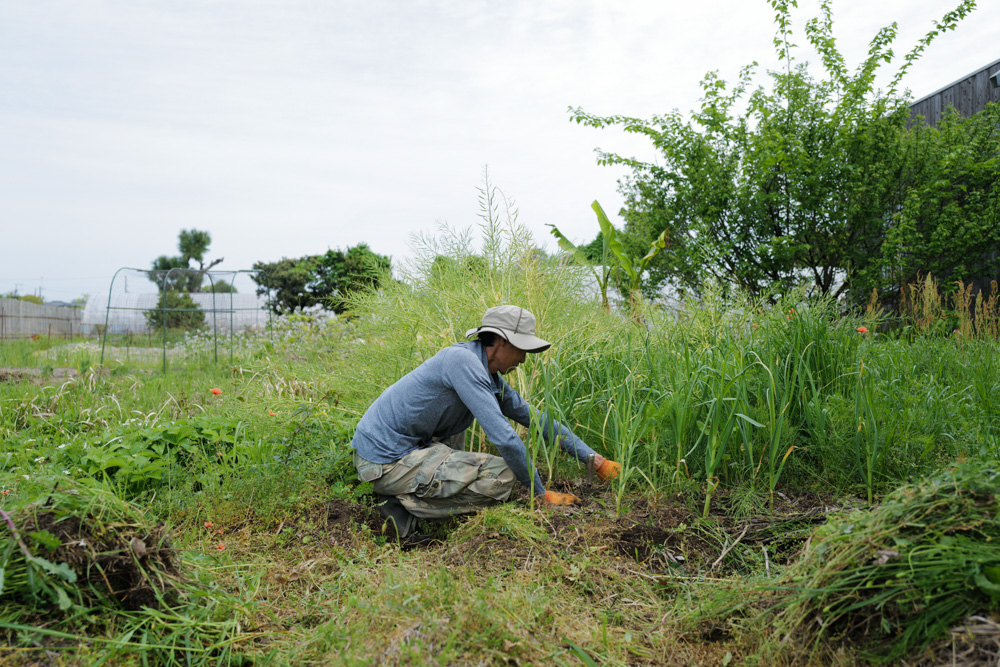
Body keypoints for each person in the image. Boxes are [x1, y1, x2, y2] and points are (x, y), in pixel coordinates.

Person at [351, 305, 621, 539]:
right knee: (505, 474)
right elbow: (505, 439)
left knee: (460, 434)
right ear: (502, 341)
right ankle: (405, 506)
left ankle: (414, 494)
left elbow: (535, 419)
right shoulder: (462, 362)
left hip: (404, 450)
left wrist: (592, 459)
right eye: (521, 349)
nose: (525, 359)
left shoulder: (486, 374)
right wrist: (540, 495)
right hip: (382, 461)